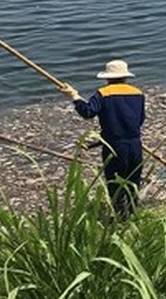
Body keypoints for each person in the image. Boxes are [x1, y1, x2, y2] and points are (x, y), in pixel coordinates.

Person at [61, 60, 145, 217]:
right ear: (125, 77)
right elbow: (140, 120)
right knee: (133, 182)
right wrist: (96, 143)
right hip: (135, 145)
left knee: (115, 183)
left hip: (114, 148)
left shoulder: (104, 93)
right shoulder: (138, 93)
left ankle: (121, 218)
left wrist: (74, 96)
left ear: (107, 78)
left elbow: (88, 112)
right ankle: (133, 215)